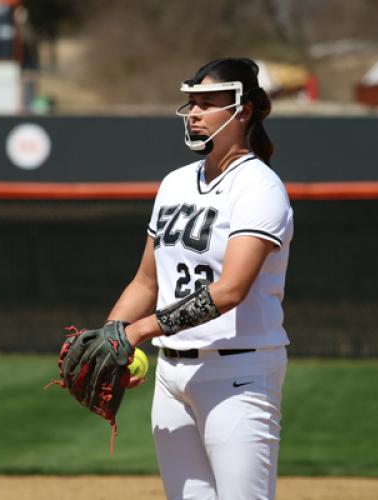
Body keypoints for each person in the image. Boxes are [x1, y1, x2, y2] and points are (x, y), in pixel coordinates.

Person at [107, 57, 294, 500]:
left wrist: (138, 331)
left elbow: (230, 290)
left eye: (206, 103)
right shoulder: (175, 183)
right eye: (190, 103)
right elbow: (146, 283)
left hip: (239, 371)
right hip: (172, 375)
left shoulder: (259, 187)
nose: (192, 113)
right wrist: (111, 337)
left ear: (242, 110)